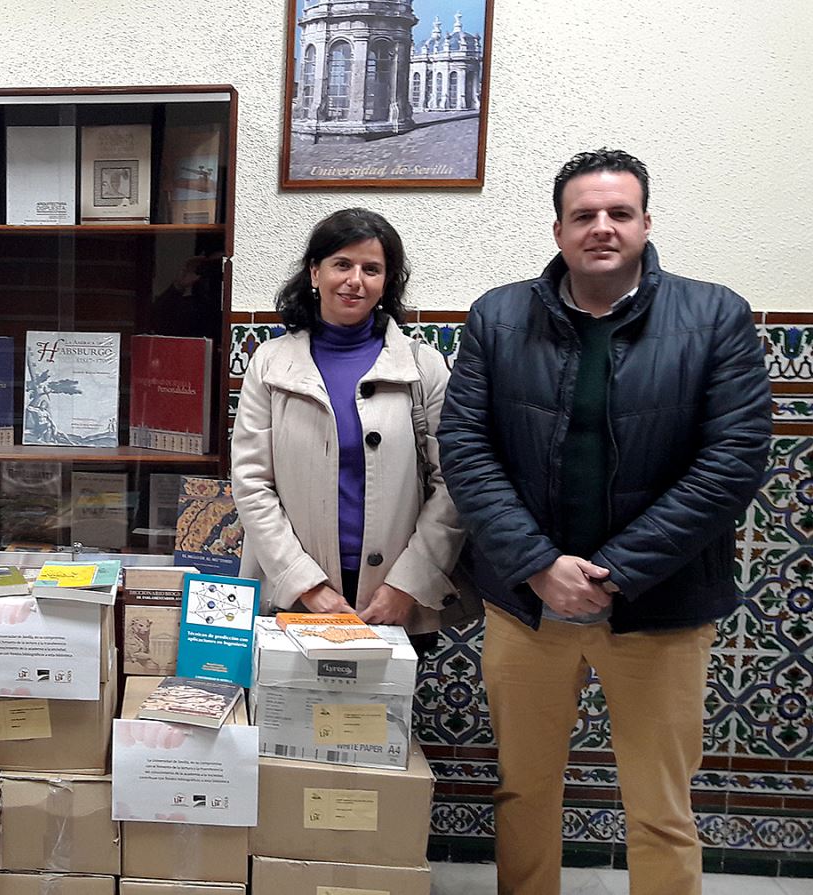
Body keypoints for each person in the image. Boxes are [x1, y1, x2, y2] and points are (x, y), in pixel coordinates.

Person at [437, 149, 772, 894]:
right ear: (557, 229)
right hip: (527, 605)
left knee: (660, 804)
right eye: (584, 215)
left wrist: (613, 572)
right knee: (523, 790)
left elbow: (733, 462)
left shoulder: (716, 315)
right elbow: (465, 446)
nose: (602, 228)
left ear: (647, 223)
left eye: (619, 213)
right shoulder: (498, 316)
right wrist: (537, 564)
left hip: (661, 605)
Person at [232, 208, 468, 652]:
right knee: (291, 719)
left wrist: (407, 585)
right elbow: (251, 482)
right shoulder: (269, 363)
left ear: (386, 282)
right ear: (315, 272)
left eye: (372, 269)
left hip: (394, 599)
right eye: (342, 264)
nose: (355, 280)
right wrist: (305, 584)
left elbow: (452, 485)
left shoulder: (423, 367)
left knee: (376, 723)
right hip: (297, 597)